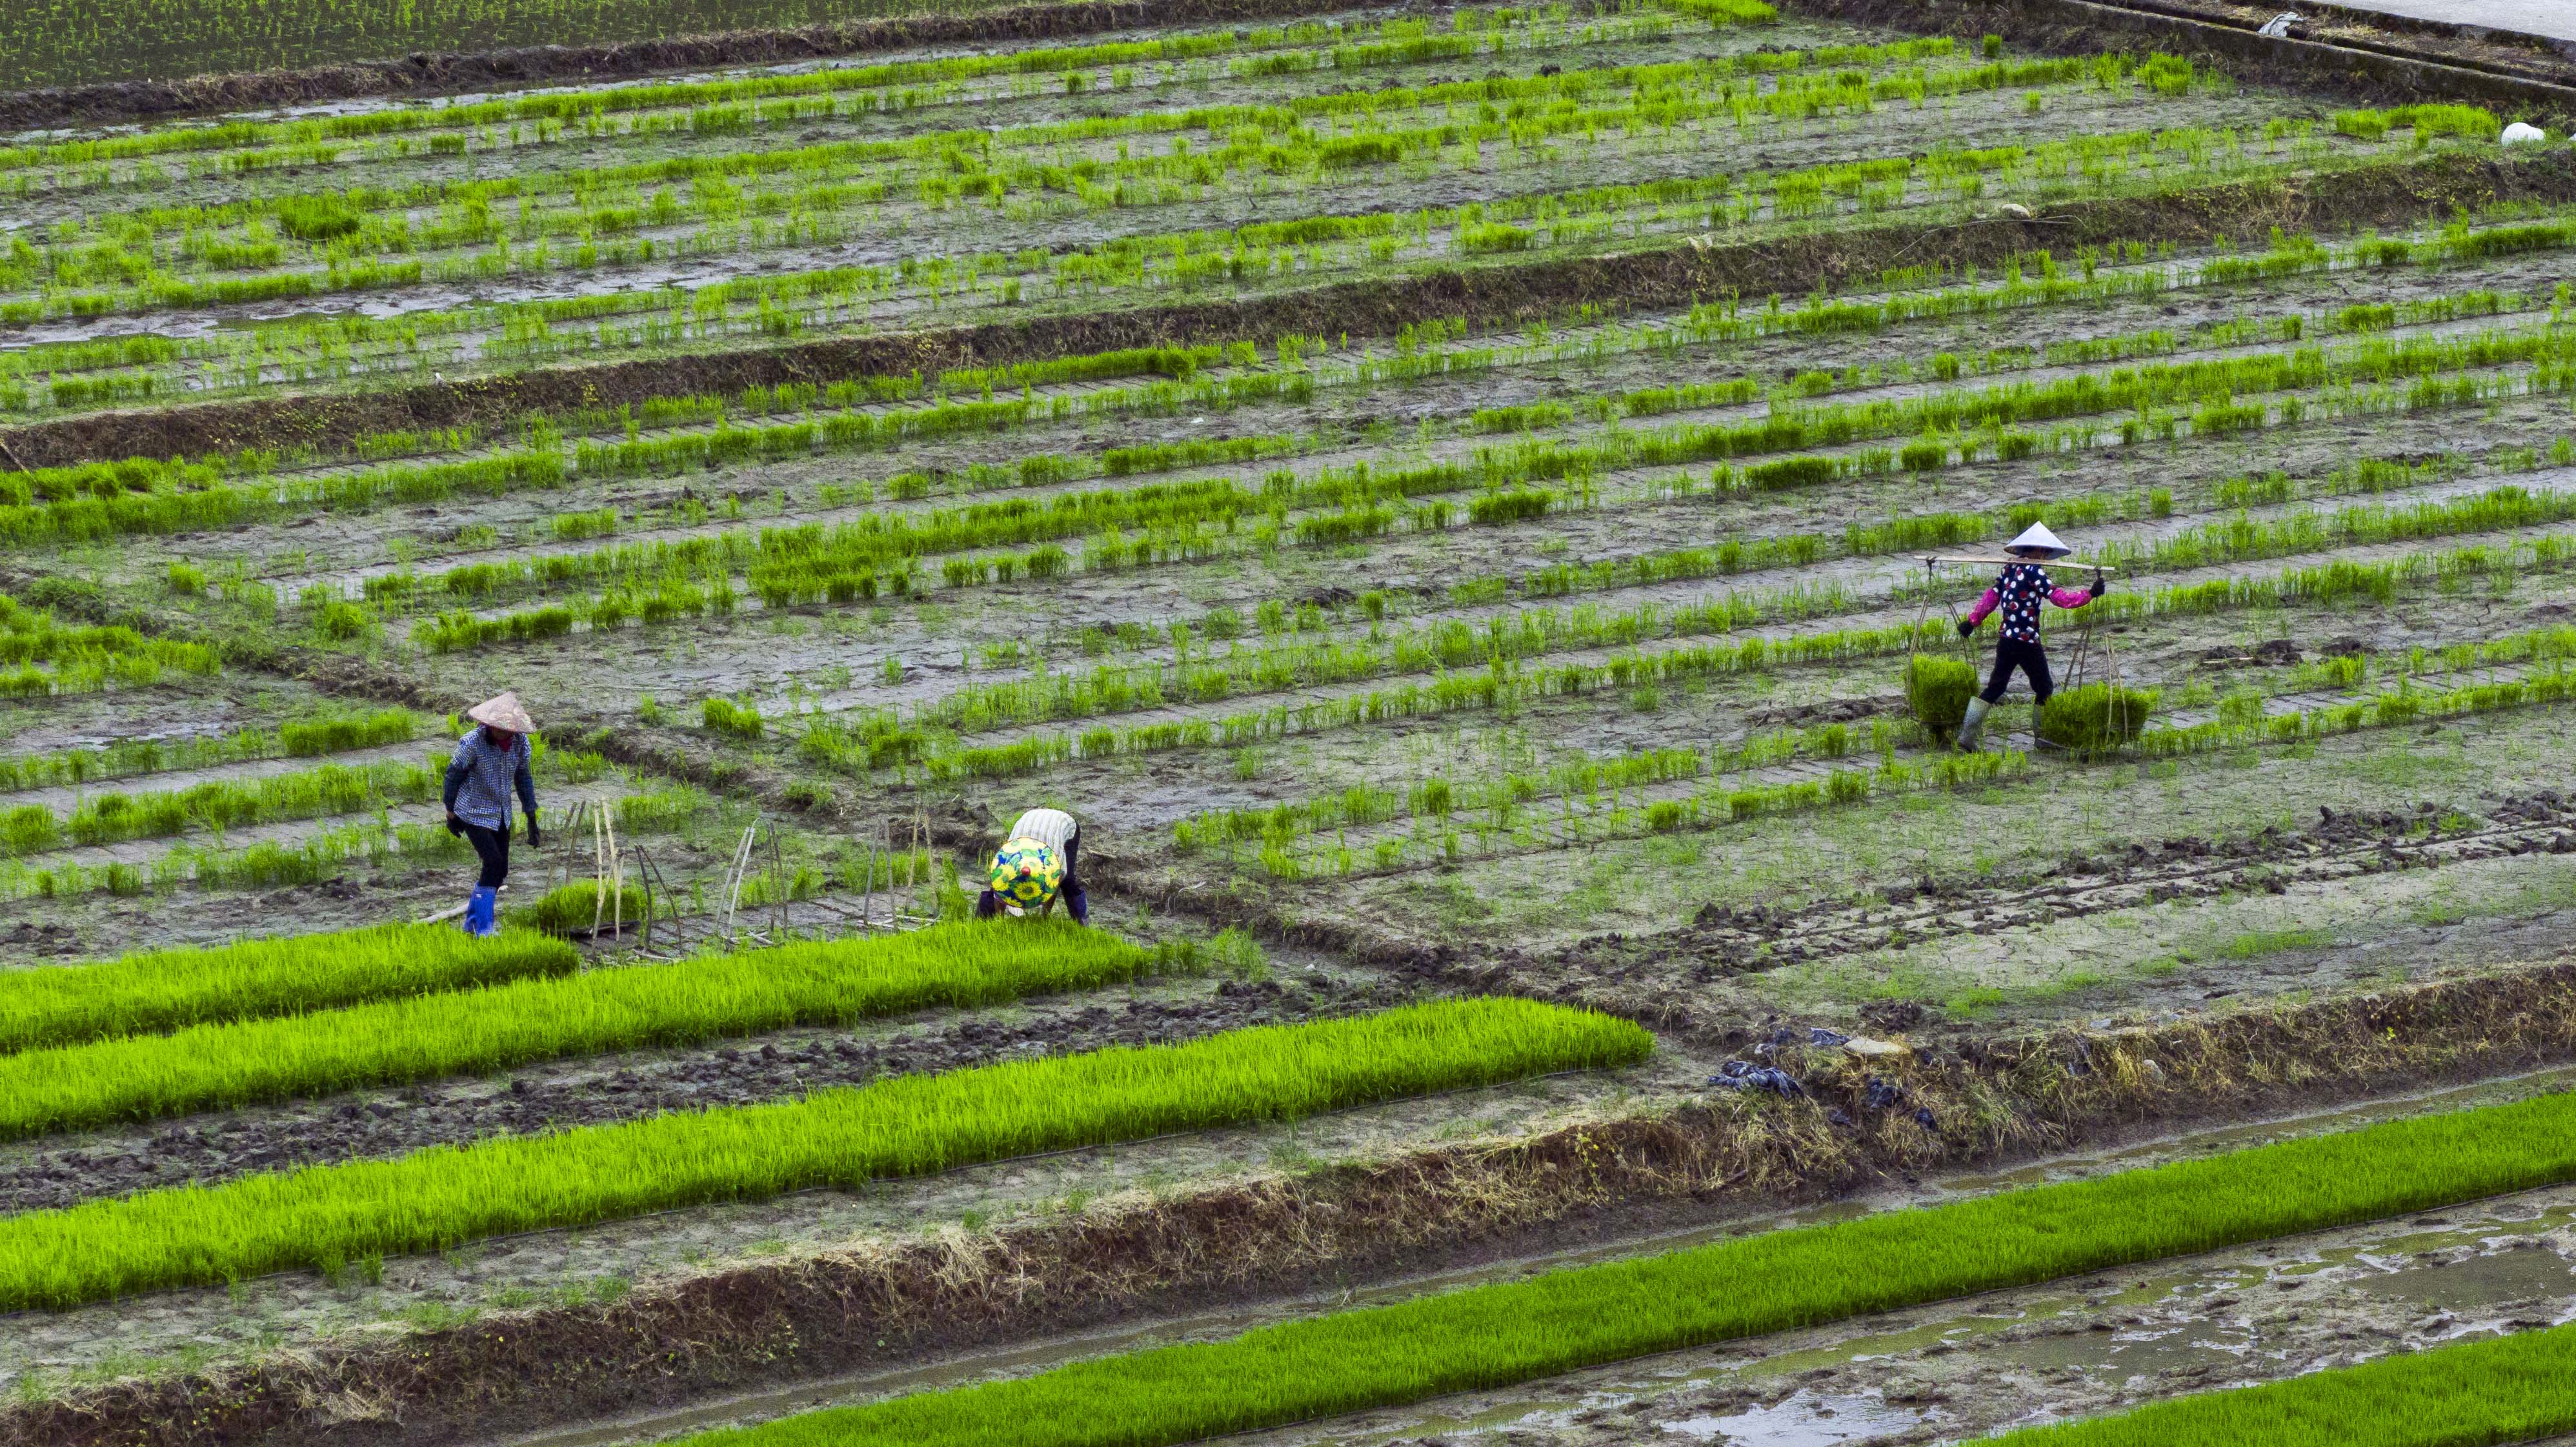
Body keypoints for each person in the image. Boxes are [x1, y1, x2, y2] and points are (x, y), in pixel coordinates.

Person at [1954, 523, 2107, 750]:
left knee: (1995, 688)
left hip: (2006, 640)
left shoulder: (2009, 569)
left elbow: (1992, 597)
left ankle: (1967, 737)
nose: (2045, 556)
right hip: (2026, 642)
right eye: (2043, 551)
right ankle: (2042, 737)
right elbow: (2059, 599)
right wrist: (2090, 594)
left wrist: (1972, 621)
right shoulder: (2035, 572)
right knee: (2044, 688)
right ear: (2034, 549)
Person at [443, 692, 541, 936]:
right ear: (488, 725)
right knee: (493, 862)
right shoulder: (472, 743)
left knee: (501, 870)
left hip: (500, 812)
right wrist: (450, 812)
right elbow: (454, 776)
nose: (501, 733)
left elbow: (523, 778)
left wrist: (531, 815)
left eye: (506, 729)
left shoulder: (520, 744)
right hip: (472, 811)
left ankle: (472, 922)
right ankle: (484, 928)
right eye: (497, 728)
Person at [976, 805, 1089, 924]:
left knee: (1068, 882)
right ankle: (980, 922)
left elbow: (1053, 886)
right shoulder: (1006, 863)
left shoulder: (1053, 862)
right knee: (998, 884)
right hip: (1029, 820)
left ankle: (1082, 924)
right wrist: (1001, 922)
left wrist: (1043, 919)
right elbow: (999, 891)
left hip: (1064, 824)